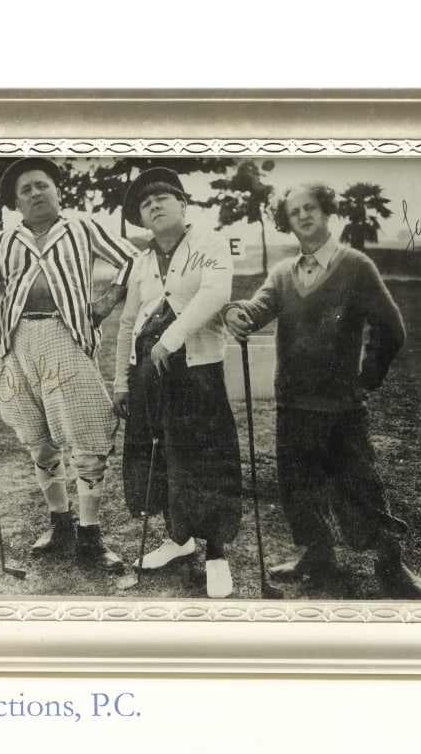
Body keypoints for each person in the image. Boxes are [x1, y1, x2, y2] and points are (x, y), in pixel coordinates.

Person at [223, 182, 421, 599]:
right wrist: (235, 311)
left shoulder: (355, 265)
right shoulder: (283, 273)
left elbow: (391, 326)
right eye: (294, 212)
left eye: (311, 208)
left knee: (360, 485)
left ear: (326, 212)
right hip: (293, 402)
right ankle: (318, 556)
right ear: (285, 223)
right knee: (298, 486)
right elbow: (258, 308)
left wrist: (368, 375)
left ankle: (392, 566)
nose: (303, 216)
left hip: (341, 406)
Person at [0, 157, 140, 571]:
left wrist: (109, 300)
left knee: (87, 436)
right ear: (15, 203)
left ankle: (90, 536)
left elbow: (131, 260)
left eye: (43, 185)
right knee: (37, 439)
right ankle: (59, 523)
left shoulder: (82, 227)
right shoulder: (2, 241)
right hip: (17, 344)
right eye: (26, 190)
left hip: (66, 338)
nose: (36, 193)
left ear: (58, 190)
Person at [112, 167, 243, 598]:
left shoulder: (209, 242)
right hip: (149, 372)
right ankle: (178, 540)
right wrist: (121, 382)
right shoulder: (141, 261)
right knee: (159, 456)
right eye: (145, 205)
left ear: (183, 205)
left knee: (204, 456)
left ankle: (216, 554)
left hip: (197, 369)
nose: (154, 205)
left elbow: (215, 293)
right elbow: (128, 321)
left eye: (163, 198)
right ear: (142, 220)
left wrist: (170, 339)